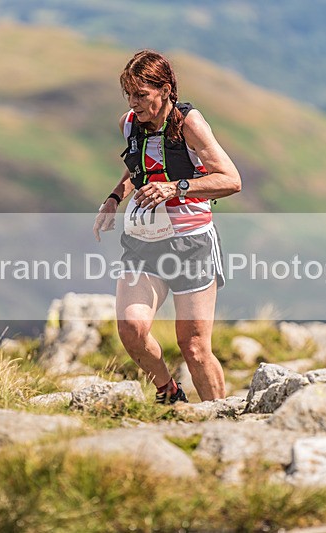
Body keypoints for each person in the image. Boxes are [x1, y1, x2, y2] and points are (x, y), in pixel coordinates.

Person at [93, 50, 241, 403]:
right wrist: (115, 198)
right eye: (129, 94)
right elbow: (138, 169)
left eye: (141, 94)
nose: (134, 102)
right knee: (132, 329)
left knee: (193, 347)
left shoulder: (189, 123)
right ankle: (169, 393)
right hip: (143, 242)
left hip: (191, 244)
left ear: (166, 90)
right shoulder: (128, 123)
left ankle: (219, 417)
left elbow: (231, 180)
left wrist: (177, 187)